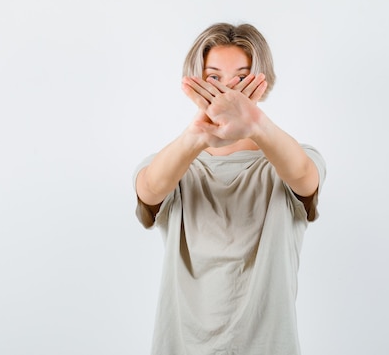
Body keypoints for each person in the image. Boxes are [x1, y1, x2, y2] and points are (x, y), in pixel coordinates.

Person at [133, 23, 326, 355]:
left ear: (261, 83)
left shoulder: (291, 157)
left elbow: (304, 176)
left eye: (241, 77)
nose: (227, 91)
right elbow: (149, 189)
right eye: (213, 78)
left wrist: (255, 123)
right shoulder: (173, 163)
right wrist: (197, 135)